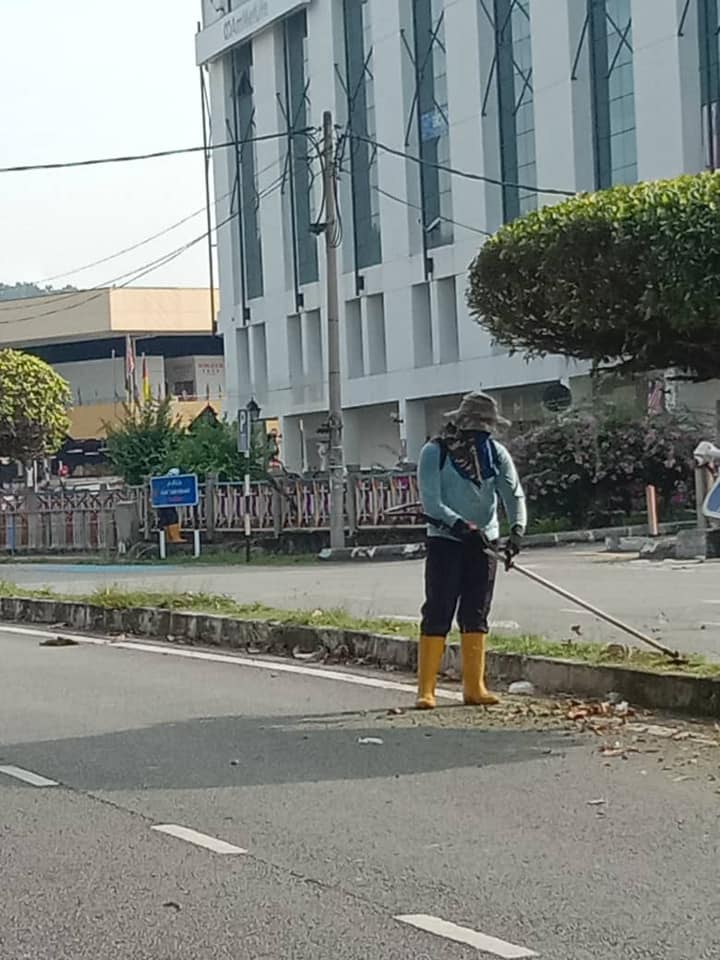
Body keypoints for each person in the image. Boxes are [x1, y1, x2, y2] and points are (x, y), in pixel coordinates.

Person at [416, 391, 527, 709]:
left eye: (485, 426)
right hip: (446, 540)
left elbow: (513, 494)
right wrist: (462, 526)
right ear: (461, 423)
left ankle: (475, 687)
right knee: (439, 609)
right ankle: (426, 689)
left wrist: (516, 531)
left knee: (476, 611)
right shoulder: (435, 452)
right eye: (475, 425)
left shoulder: (496, 454)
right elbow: (431, 502)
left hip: (485, 543)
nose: (479, 432)